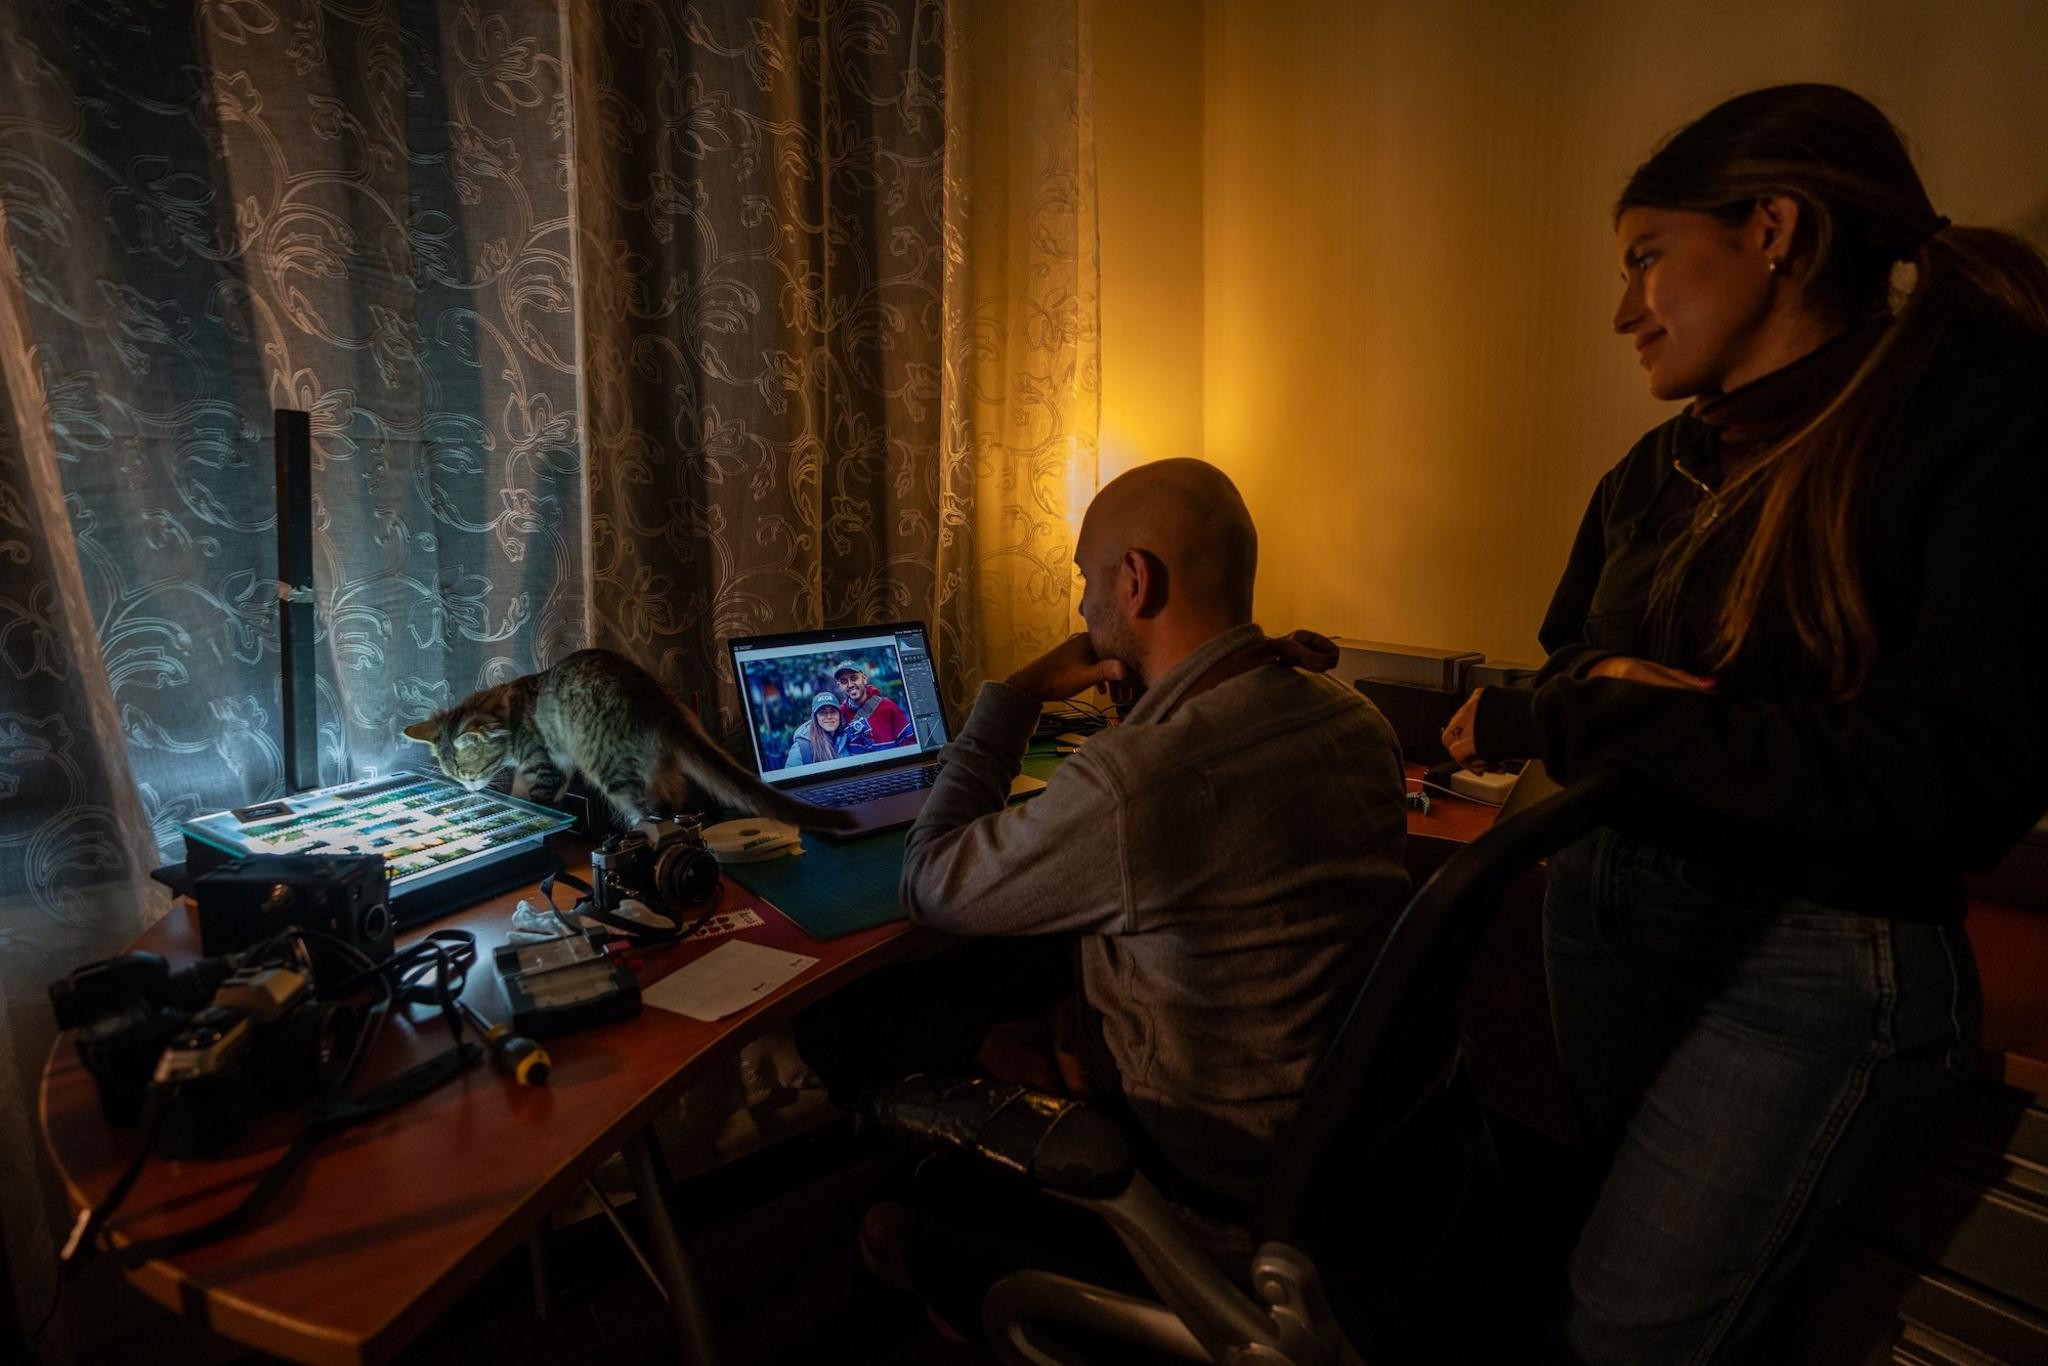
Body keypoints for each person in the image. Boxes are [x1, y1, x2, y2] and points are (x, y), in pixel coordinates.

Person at [1439, 83, 2048, 1364]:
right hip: (1612, 911)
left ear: (1772, 228)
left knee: (1629, 1330)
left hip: (1812, 952)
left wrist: (1623, 716)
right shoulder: (1662, 468)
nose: (1621, 312)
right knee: (1639, 1266)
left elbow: (1946, 778)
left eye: (1646, 259)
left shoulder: (1978, 423)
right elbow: (1570, 657)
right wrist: (1619, 701)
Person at [832, 660, 913, 752]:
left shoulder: (888, 707)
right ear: (839, 686)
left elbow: (909, 741)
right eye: (844, 681)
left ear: (864, 678)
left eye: (854, 678)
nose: (850, 685)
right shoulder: (840, 714)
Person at [782, 692, 845, 769]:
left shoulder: (847, 738)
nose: (829, 716)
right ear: (815, 718)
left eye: (833, 711)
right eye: (822, 713)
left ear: (839, 714)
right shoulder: (801, 747)